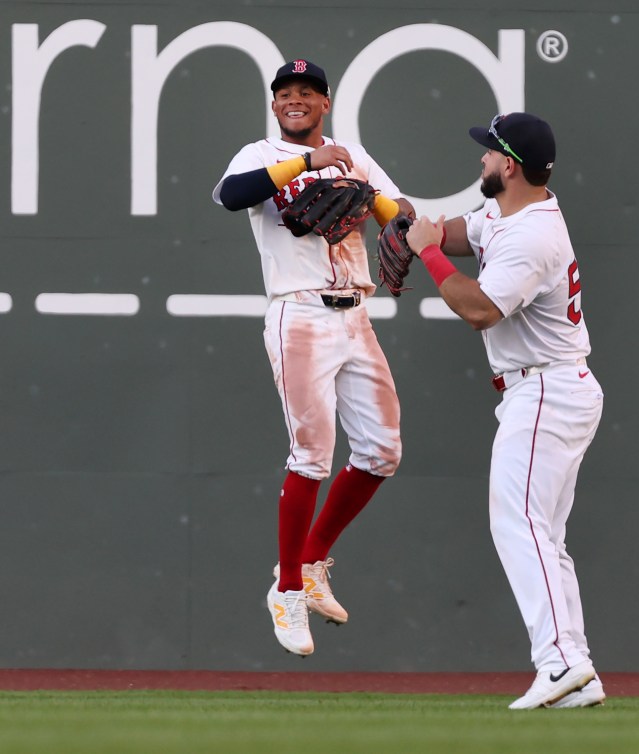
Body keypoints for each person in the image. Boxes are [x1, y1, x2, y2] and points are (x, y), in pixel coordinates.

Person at [212, 59, 414, 656]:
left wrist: (374, 202)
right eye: (284, 93)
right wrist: (304, 164)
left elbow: (397, 214)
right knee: (312, 457)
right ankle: (288, 590)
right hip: (298, 312)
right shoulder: (258, 153)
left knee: (382, 451)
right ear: (274, 105)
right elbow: (230, 197)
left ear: (324, 103)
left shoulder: (353, 153)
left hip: (355, 313)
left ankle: (311, 561)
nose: (294, 100)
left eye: (306, 92)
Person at [404, 112, 605, 709]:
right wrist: (402, 220)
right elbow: (454, 231)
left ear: (509, 166)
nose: (481, 160)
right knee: (545, 535)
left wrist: (429, 258)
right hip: (550, 388)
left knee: (516, 523)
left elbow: (480, 310)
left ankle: (560, 662)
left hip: (546, 390)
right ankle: (578, 671)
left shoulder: (530, 236)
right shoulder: (511, 211)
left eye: (489, 153)